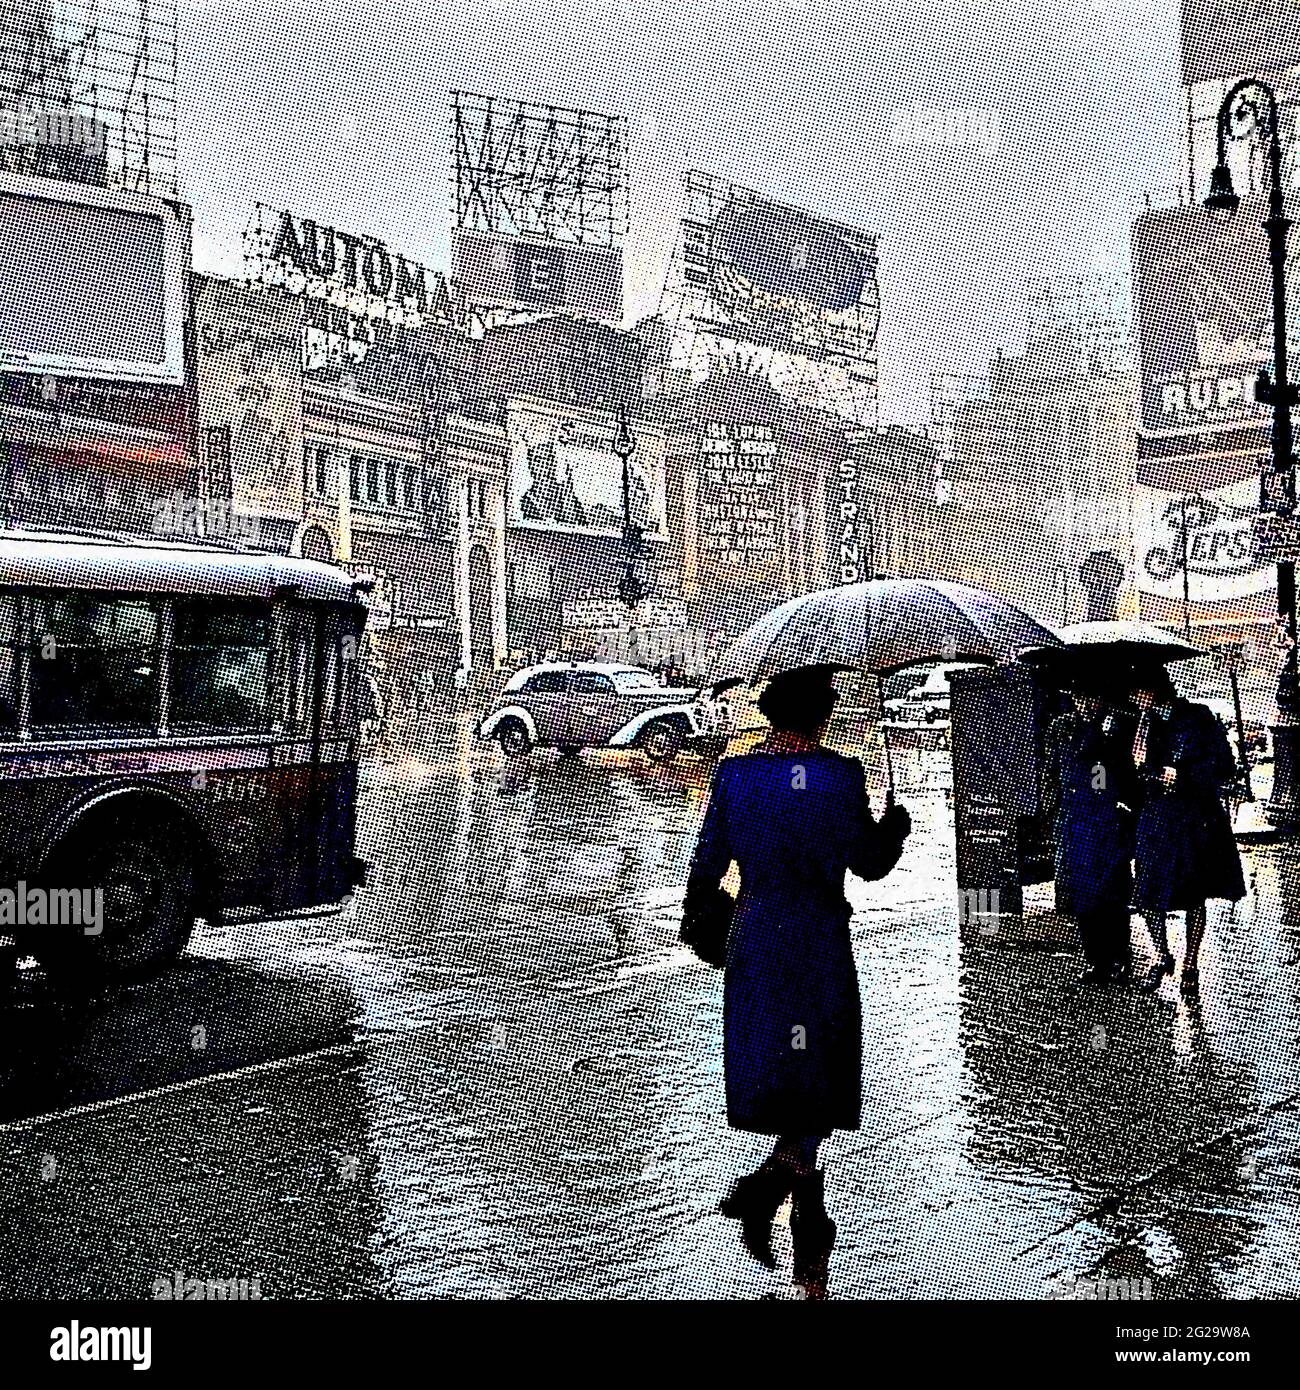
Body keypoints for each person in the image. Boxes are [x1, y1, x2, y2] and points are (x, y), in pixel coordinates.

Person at [682, 665, 911, 1294]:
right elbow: (868, 863)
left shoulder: (734, 773)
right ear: (822, 716)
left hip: (756, 937)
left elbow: (707, 864)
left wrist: (706, 919)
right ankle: (776, 1191)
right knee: (820, 1067)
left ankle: (804, 1249)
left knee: (785, 1066)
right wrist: (894, 827)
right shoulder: (837, 775)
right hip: (816, 937)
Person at [1126, 664, 1245, 993]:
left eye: (1139, 690)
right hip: (1154, 817)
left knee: (1193, 892)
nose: (1136, 698)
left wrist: (1182, 775)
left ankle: (1190, 963)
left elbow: (1222, 764)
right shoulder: (1136, 722)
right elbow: (1122, 773)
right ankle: (1163, 956)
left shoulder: (1196, 716)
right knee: (1148, 892)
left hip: (1192, 817)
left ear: (1155, 688)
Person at [1039, 667, 1137, 984]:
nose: (1086, 705)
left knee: (1112, 892)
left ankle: (1120, 959)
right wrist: (1052, 813)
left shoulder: (1117, 726)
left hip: (1107, 821)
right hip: (1074, 821)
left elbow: (1121, 772)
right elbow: (1052, 772)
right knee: (1082, 895)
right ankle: (1096, 959)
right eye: (1080, 698)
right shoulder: (1061, 727)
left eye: (1092, 699)